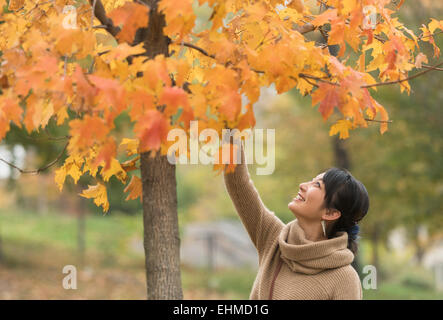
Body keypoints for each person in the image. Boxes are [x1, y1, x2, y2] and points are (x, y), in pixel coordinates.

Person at [223, 141, 369, 300]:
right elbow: (238, 182)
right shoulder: (274, 239)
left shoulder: (344, 278)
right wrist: (232, 130)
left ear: (331, 212)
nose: (302, 185)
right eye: (311, 180)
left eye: (317, 185)